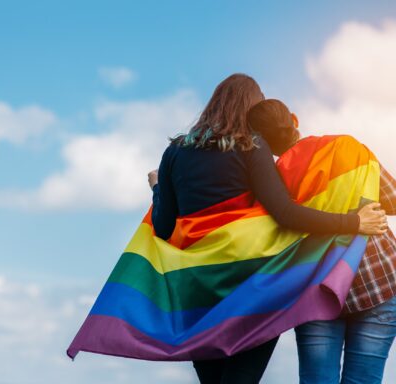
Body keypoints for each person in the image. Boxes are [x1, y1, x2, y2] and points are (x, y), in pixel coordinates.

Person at [147, 74, 387, 384]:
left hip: (196, 291)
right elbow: (285, 214)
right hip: (250, 288)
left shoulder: (175, 153)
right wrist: (352, 222)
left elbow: (164, 227)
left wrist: (156, 189)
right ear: (251, 111)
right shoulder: (251, 145)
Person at [247, 98, 396, 384]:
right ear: (294, 120)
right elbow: (392, 198)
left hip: (316, 289)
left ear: (260, 142)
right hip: (378, 281)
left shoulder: (272, 183)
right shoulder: (347, 147)